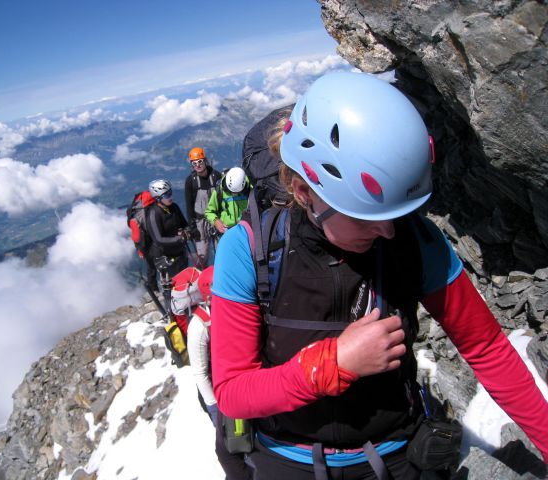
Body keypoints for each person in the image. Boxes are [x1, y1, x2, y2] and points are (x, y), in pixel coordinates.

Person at [210, 72, 548, 479]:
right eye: (366, 219)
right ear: (304, 193)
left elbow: (487, 348)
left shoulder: (416, 240)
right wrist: (332, 364)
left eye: (396, 215)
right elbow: (232, 393)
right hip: (287, 459)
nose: (388, 231)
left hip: (398, 454)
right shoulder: (249, 250)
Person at [187, 266, 253, 480]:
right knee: (231, 442)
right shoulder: (199, 326)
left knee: (240, 439)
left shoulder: (227, 312)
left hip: (240, 385)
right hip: (220, 394)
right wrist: (215, 410)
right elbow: (199, 371)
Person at [146, 179, 189, 291]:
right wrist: (179, 239)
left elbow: (184, 224)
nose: (171, 197)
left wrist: (187, 232)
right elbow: (158, 239)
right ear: (158, 198)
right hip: (165, 258)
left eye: (170, 193)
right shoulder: (153, 214)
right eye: (167, 195)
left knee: (184, 283)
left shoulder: (174, 207)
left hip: (180, 253)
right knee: (171, 289)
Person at [184, 147, 221, 267]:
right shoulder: (191, 181)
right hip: (200, 222)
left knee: (221, 251)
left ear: (205, 161)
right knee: (202, 256)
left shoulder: (216, 176)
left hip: (216, 219)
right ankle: (202, 280)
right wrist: (192, 226)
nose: (198, 165)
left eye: (200, 161)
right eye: (194, 163)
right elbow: (189, 205)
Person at [204, 167, 250, 237]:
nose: (234, 194)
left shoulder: (250, 189)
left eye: (237, 192)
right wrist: (216, 221)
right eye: (231, 191)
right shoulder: (219, 190)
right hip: (227, 231)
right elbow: (208, 212)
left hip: (247, 230)